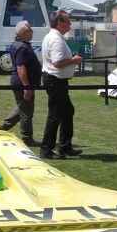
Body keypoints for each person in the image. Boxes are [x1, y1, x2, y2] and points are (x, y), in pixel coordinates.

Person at [39, 10, 84, 159]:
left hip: (56, 79)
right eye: (68, 21)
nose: (70, 24)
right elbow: (57, 63)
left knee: (67, 111)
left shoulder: (53, 36)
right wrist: (73, 60)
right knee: (55, 115)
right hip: (55, 80)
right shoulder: (56, 39)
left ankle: (65, 146)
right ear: (59, 23)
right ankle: (46, 149)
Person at [0, 21, 41, 147]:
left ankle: (1, 127)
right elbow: (21, 67)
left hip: (19, 82)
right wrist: (27, 87)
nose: (32, 32)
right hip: (22, 83)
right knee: (26, 112)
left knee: (22, 107)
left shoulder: (17, 44)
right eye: (30, 30)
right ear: (24, 33)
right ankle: (27, 138)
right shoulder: (22, 47)